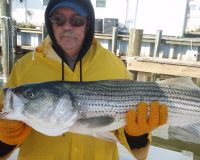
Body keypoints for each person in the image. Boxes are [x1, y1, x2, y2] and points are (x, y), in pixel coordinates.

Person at [0, 0, 168, 159]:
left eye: (77, 20)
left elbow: (131, 143)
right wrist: (6, 136)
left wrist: (137, 134)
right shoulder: (24, 67)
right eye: (58, 20)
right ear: (50, 23)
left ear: (88, 24)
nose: (67, 27)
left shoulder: (114, 66)